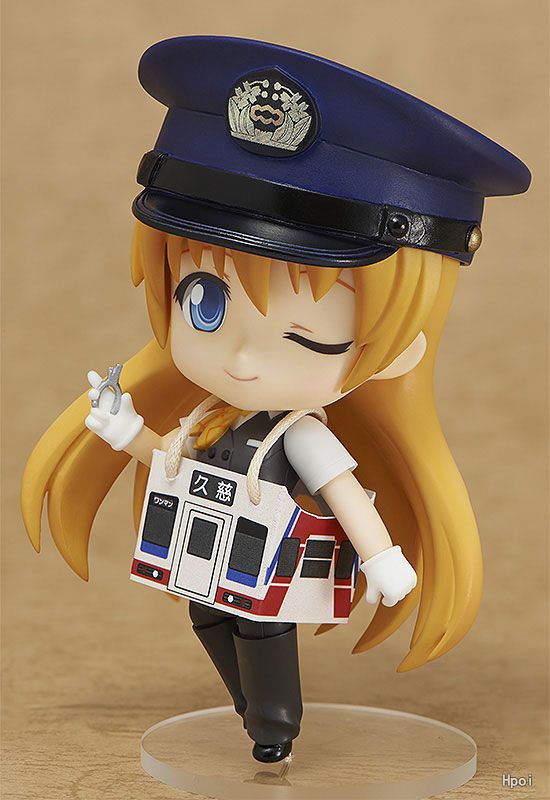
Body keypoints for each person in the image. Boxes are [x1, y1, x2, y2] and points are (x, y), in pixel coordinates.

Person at [21, 36, 530, 763]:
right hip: (209, 555)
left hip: (265, 562)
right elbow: (170, 459)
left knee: (261, 630)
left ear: (398, 349)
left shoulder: (302, 435)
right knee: (207, 621)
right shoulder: (205, 416)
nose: (241, 360)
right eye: (203, 304)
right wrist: (126, 428)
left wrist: (382, 556)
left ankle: (273, 723)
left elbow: (343, 493)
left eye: (302, 336)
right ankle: (251, 709)